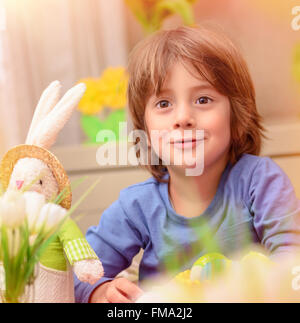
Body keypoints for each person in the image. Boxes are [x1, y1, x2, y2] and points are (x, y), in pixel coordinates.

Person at [74, 25, 300, 303]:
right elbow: (79, 272)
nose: (183, 117)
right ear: (144, 128)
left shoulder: (260, 181)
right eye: (164, 103)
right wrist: (98, 290)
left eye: (203, 99)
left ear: (237, 118)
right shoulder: (137, 206)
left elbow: (292, 262)